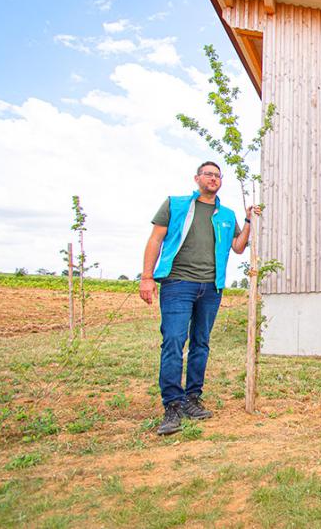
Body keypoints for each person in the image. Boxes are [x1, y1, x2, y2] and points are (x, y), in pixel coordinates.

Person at [139, 161, 260, 436]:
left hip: (211, 288)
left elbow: (239, 247)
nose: (214, 178)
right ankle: (172, 405)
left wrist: (250, 220)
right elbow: (155, 239)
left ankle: (193, 398)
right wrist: (147, 276)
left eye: (218, 175)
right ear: (197, 178)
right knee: (173, 341)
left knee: (201, 344)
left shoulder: (226, 215)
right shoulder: (175, 205)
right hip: (178, 284)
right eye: (209, 174)